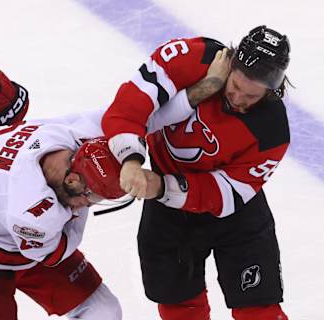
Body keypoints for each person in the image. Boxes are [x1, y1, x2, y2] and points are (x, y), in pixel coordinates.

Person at [101, 26, 291, 319]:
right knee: (179, 305)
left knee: (260, 310)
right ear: (232, 63)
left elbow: (225, 193)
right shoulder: (189, 57)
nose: (238, 99)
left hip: (236, 213)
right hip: (169, 214)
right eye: (235, 86)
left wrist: (163, 187)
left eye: (251, 96)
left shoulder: (272, 130)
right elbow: (127, 108)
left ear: (271, 90)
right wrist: (130, 160)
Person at [0, 62, 127, 320]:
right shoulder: (35, 213)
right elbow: (53, 252)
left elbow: (136, 110)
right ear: (73, 181)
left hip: (9, 220)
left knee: (103, 312)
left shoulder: (76, 133)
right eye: (91, 197)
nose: (89, 205)